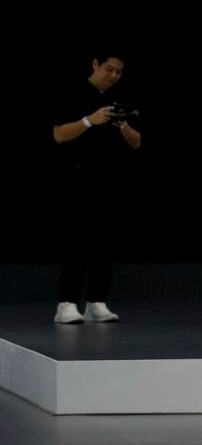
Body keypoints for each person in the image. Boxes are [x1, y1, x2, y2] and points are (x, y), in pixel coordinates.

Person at [50, 52, 142, 324]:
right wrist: (90, 120)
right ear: (95, 64)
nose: (113, 75)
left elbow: (136, 142)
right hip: (78, 177)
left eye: (118, 72)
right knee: (77, 240)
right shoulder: (72, 93)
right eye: (109, 69)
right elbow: (58, 134)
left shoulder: (118, 100)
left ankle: (96, 301)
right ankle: (67, 303)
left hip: (109, 179)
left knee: (105, 241)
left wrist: (122, 124)